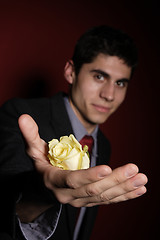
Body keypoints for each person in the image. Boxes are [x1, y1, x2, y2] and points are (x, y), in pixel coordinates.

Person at [0, 25, 148, 240]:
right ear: (71, 72)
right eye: (99, 77)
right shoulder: (19, 114)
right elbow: (4, 210)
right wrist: (44, 194)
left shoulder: (103, 145)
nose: (109, 94)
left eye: (120, 83)